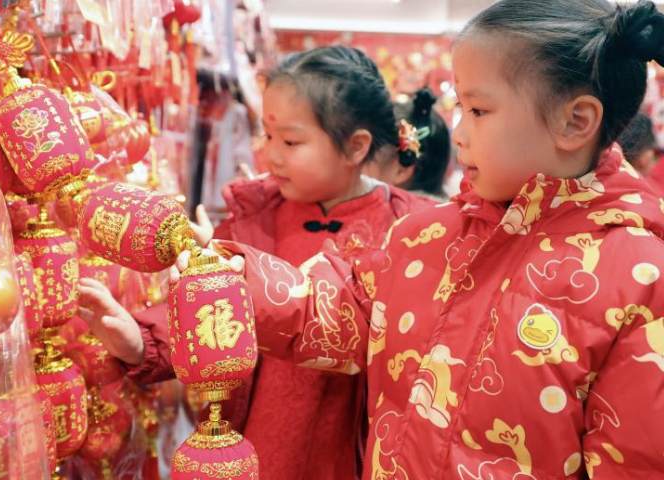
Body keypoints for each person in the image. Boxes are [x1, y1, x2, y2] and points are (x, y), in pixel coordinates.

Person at [180, 1, 664, 478]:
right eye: (460, 107)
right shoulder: (425, 233)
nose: (459, 132)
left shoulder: (640, 279)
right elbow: (339, 311)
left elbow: (636, 461)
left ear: (575, 121)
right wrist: (230, 278)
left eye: (478, 109)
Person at [79, 46, 433, 480]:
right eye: (267, 136)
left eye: (291, 141)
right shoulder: (254, 219)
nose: (272, 155)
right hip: (258, 443)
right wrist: (141, 341)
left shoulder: (412, 231)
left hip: (356, 449)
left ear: (355, 146)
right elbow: (207, 316)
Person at [365, 87, 452, 202]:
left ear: (401, 171)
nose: (354, 163)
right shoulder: (443, 213)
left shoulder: (393, 217)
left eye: (366, 157)